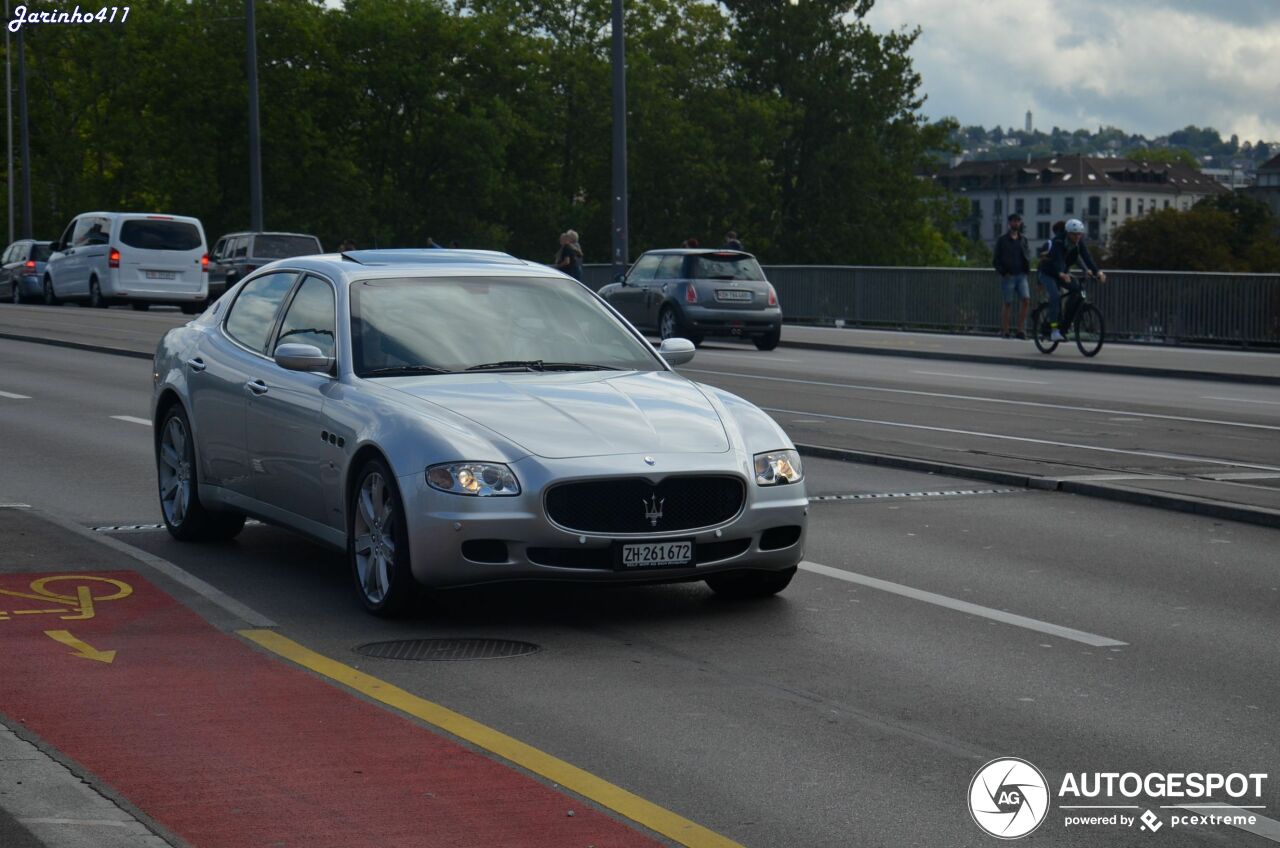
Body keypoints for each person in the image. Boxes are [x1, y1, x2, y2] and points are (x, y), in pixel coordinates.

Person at [1037, 218, 1106, 342]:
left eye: (1080, 234)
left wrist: (1097, 272)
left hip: (1062, 273)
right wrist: (1061, 273)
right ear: (1068, 233)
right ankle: (1054, 331)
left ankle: (1065, 324)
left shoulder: (1079, 242)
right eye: (1074, 234)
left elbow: (1086, 257)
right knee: (1055, 296)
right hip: (1048, 273)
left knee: (1077, 291)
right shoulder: (1058, 241)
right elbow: (1057, 259)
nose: (1077, 236)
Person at [992, 213, 1031, 339]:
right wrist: (1003, 272)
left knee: (1026, 300)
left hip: (1021, 275)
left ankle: (1021, 330)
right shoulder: (1002, 240)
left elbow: (1027, 254)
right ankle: (1005, 330)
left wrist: (1027, 269)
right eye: (1014, 221)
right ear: (1009, 223)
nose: (1016, 223)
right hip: (1008, 276)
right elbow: (996, 259)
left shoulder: (1023, 239)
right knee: (1007, 303)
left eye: (1018, 221)